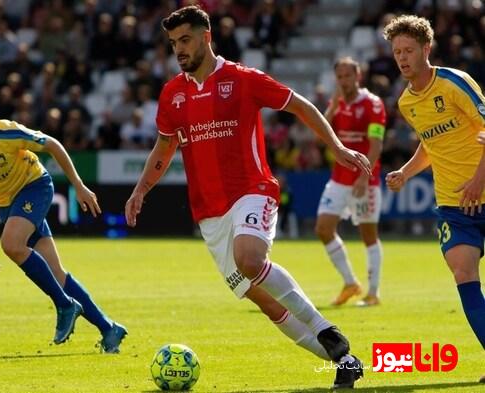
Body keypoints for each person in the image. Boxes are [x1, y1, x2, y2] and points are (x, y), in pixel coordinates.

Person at [125, 6, 370, 389]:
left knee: (250, 258)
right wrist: (141, 188)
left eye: (185, 40)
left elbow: (300, 105)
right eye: (173, 43)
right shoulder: (172, 93)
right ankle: (343, 359)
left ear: (206, 37)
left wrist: (336, 146)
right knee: (263, 299)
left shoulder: (242, 79)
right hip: (208, 212)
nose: (179, 49)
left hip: (251, 190)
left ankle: (328, 329)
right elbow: (164, 145)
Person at [0, 88, 127, 353]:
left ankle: (64, 305)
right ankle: (109, 329)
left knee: (11, 244)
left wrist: (79, 186)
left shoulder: (3, 132)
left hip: (35, 185)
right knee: (56, 273)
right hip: (8, 205)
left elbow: (52, 144)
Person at [383, 15, 485, 383]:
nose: (403, 58)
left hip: (483, 191)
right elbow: (431, 144)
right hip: (453, 205)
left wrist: (477, 179)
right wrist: (406, 173)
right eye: (397, 52)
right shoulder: (407, 102)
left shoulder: (455, 83)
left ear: (426, 49)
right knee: (463, 272)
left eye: (409, 50)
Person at [315, 57, 386, 307]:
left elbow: (376, 143)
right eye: (340, 77)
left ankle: (373, 293)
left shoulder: (373, 104)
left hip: (363, 179)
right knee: (323, 228)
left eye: (348, 76)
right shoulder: (337, 104)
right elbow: (321, 132)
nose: (344, 81)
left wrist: (365, 176)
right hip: (339, 178)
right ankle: (350, 282)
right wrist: (333, 108)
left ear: (358, 76)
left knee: (368, 235)